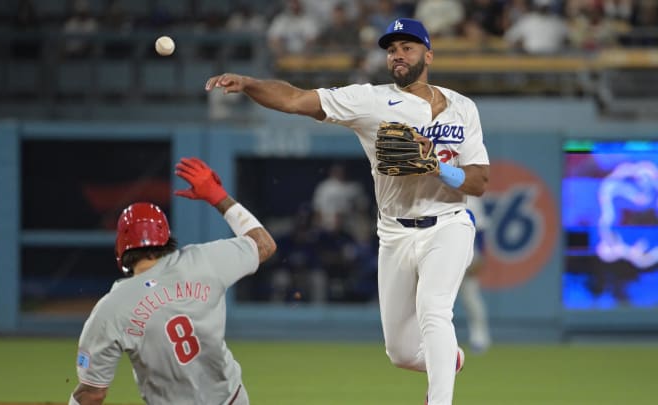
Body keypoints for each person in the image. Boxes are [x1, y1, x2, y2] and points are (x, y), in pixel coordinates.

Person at [206, 17, 490, 405]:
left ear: (428, 54)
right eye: (391, 50)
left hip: (449, 224)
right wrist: (251, 83)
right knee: (401, 353)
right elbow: (294, 99)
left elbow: (478, 181)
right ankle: (449, 358)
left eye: (407, 47)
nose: (397, 55)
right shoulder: (370, 100)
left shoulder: (462, 107)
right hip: (395, 232)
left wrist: (438, 167)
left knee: (434, 310)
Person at [68, 157, 277, 405]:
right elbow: (264, 244)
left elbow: (93, 394)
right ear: (166, 237)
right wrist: (218, 197)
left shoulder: (112, 308)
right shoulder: (205, 261)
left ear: (121, 248)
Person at [459, 195, 492, 354]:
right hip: (442, 254)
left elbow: (480, 230)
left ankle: (479, 337)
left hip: (468, 254)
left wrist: (481, 256)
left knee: (471, 298)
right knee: (434, 300)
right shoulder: (436, 191)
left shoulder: (471, 198)